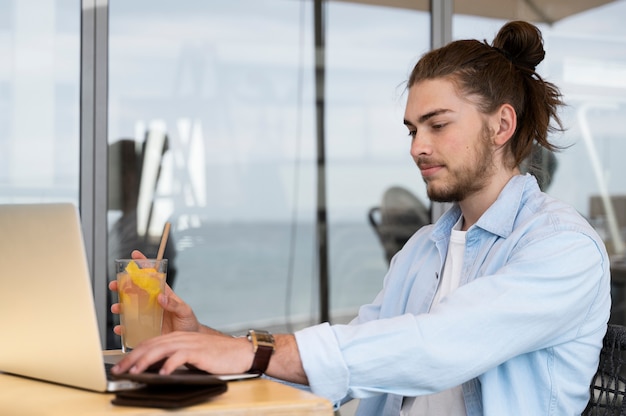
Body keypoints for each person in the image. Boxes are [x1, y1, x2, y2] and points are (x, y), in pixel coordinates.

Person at [109, 20, 611, 415]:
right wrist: (204, 340)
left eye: (437, 125)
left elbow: (435, 347)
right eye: (412, 129)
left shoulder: (561, 247)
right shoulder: (423, 249)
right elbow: (350, 363)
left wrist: (256, 352)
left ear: (502, 124)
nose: (418, 147)